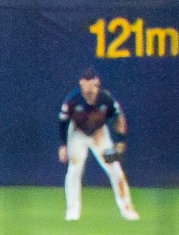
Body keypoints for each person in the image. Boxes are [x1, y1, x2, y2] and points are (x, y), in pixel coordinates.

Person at [58, 67, 138, 222]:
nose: (89, 86)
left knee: (114, 169)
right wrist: (63, 145)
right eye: (86, 82)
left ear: (97, 82)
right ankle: (72, 211)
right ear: (81, 83)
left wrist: (120, 141)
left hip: (99, 134)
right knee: (74, 169)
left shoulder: (105, 99)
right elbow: (63, 121)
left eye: (92, 82)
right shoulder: (73, 99)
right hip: (78, 133)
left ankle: (127, 208)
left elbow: (118, 118)